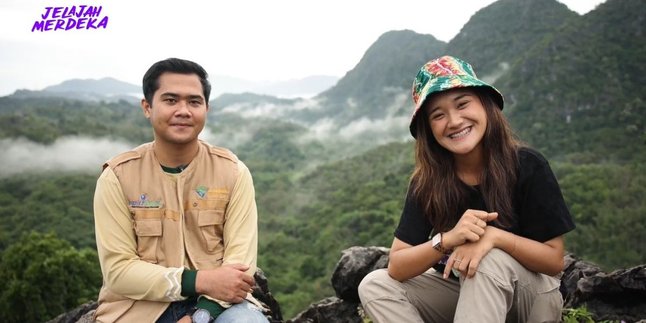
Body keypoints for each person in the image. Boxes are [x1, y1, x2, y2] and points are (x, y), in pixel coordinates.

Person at [358, 56, 576, 322]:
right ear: (428, 128)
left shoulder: (527, 165)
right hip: (467, 292)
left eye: (462, 104)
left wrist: (493, 238)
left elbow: (554, 261)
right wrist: (448, 239)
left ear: (485, 106)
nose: (454, 121)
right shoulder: (427, 183)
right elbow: (398, 266)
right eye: (438, 115)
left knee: (489, 259)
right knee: (375, 285)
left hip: (530, 299)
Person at [93, 58, 268, 323]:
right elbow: (118, 271)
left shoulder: (232, 172)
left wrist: (202, 315)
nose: (183, 110)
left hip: (217, 305)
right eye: (171, 100)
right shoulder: (117, 177)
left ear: (206, 108)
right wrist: (198, 279)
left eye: (194, 102)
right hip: (139, 309)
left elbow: (241, 264)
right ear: (147, 107)